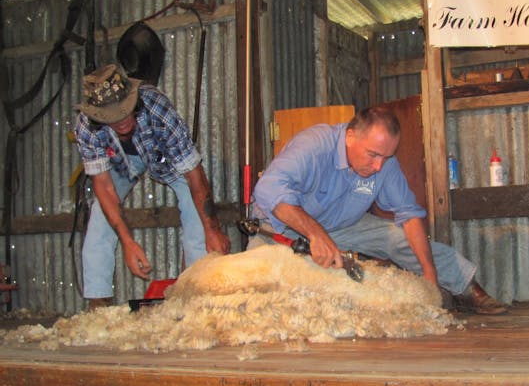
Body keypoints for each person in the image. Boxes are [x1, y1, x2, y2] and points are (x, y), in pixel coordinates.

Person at [251, 106, 506, 314]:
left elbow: (409, 215)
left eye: (386, 157)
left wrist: (429, 273)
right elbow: (267, 190)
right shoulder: (314, 145)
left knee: (399, 237)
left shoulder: (384, 163)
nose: (378, 166)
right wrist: (316, 235)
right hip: (281, 226)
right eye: (373, 155)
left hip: (342, 225)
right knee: (255, 292)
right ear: (350, 136)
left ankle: (465, 287)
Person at [74, 64, 230, 310]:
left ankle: (197, 296)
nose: (122, 121)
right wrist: (127, 241)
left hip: (164, 157)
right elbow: (103, 187)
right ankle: (98, 303)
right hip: (118, 163)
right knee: (99, 217)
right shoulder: (87, 126)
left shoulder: (157, 108)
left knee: (195, 213)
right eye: (113, 118)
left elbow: (194, 173)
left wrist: (213, 229)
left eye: (126, 112)